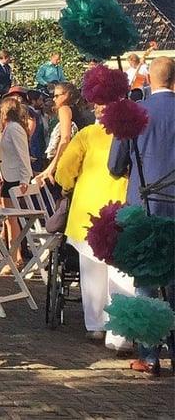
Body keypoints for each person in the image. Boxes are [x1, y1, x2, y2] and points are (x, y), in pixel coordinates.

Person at [108, 55, 175, 374]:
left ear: (150, 79)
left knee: (146, 281)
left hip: (143, 207)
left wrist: (127, 169)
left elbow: (114, 164)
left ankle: (149, 356)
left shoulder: (136, 114)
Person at [56, 103, 134, 345]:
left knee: (91, 269)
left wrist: (67, 187)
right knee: (122, 274)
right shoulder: (130, 134)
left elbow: (65, 170)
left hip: (87, 211)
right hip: (122, 208)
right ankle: (121, 334)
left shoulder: (87, 134)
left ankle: (95, 324)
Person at [0, 95, 32, 266]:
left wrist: (25, 177)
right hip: (7, 176)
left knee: (12, 219)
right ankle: (13, 254)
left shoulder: (14, 128)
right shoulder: (9, 128)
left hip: (14, 177)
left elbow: (22, 153)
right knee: (9, 219)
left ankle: (15, 255)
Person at [39, 81, 93, 184]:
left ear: (67, 95)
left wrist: (53, 166)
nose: (54, 99)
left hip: (68, 158)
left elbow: (65, 138)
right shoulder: (77, 110)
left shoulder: (64, 108)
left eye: (57, 96)